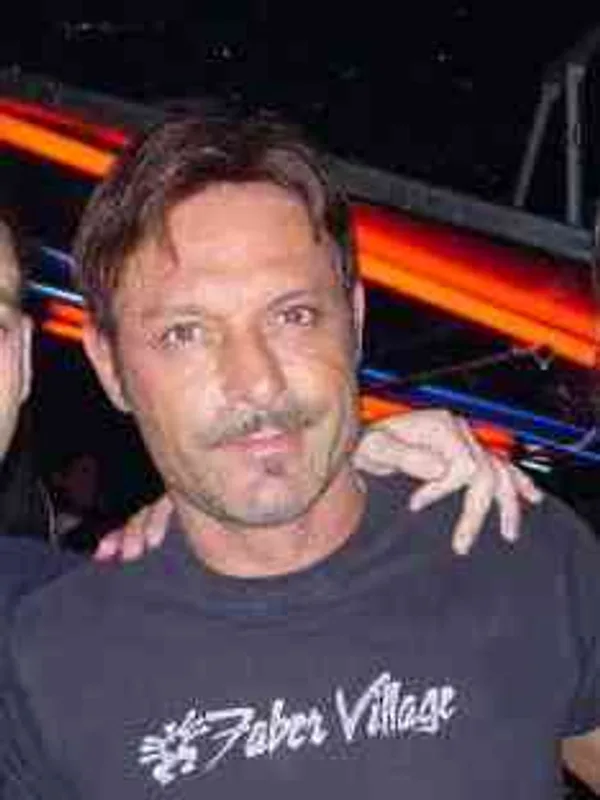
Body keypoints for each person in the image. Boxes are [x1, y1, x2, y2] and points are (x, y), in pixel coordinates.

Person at [6, 107, 593, 797]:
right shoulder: (47, 658)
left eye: (293, 316)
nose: (256, 380)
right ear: (110, 367)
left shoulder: (521, 552)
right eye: (185, 334)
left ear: (355, 321)